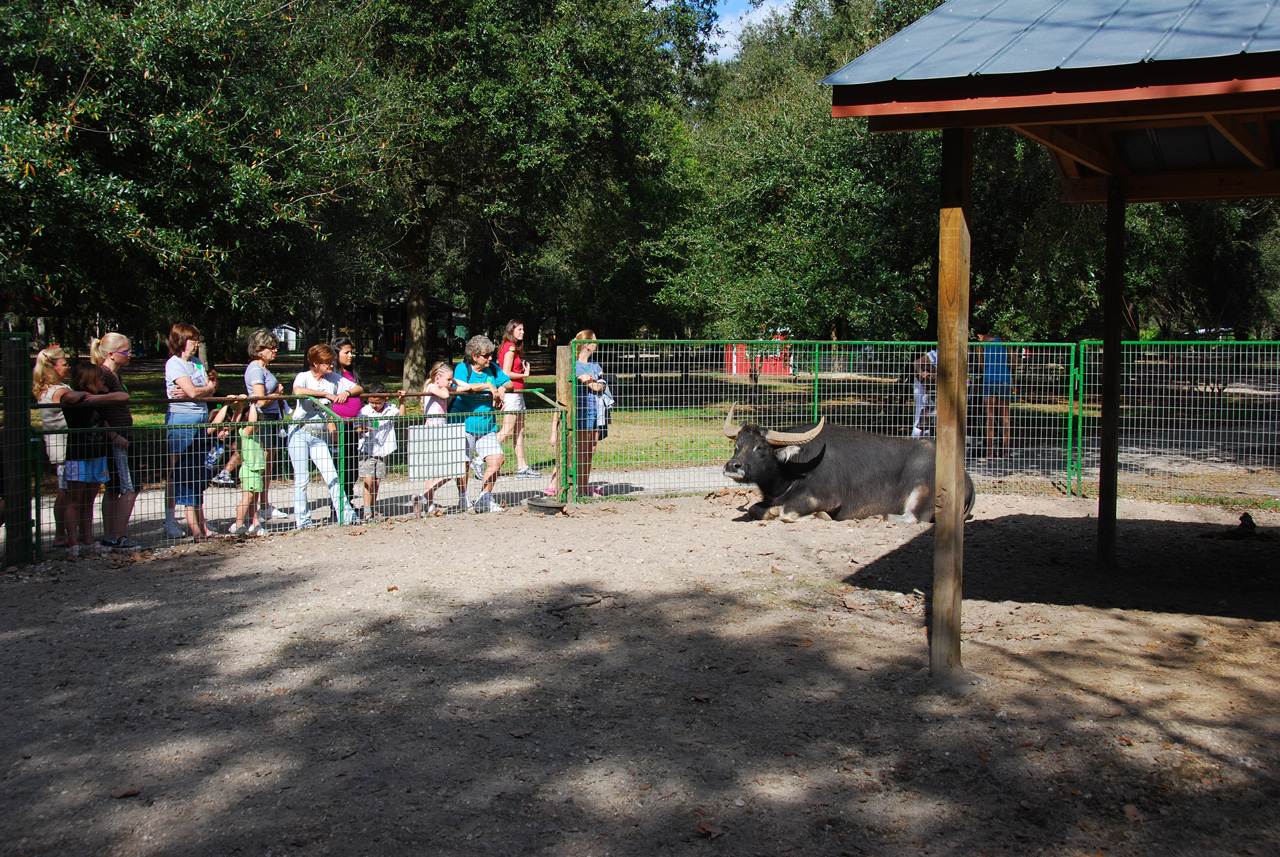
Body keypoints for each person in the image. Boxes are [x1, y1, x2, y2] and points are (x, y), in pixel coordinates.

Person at [60, 363, 128, 556]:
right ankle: (74, 542)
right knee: (74, 500)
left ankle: (88, 540)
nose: (102, 381)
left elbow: (123, 396)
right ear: (89, 380)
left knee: (89, 500)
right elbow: (69, 397)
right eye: (98, 379)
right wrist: (85, 394)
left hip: (97, 454)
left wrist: (100, 395)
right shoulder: (74, 397)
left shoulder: (98, 399)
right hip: (78, 455)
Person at [289, 343, 358, 529]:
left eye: (331, 362)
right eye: (326, 363)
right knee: (302, 478)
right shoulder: (303, 377)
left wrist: (346, 392)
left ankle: (346, 515)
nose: (330, 366)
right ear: (315, 363)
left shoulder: (333, 378)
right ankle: (302, 521)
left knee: (332, 475)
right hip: (300, 432)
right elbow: (298, 391)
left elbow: (358, 388)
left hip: (319, 436)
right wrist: (325, 394)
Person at [164, 323, 218, 538]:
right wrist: (200, 391)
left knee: (197, 469)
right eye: (192, 339)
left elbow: (206, 391)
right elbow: (194, 392)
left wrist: (205, 389)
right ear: (181, 340)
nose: (196, 344)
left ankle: (199, 521)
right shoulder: (174, 364)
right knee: (177, 471)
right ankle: (170, 520)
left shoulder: (197, 363)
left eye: (197, 339)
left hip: (201, 417)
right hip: (182, 420)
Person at [90, 333, 140, 550]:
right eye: (125, 351)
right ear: (110, 354)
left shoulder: (113, 376)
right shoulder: (104, 374)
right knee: (130, 486)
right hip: (117, 439)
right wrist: (114, 436)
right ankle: (117, 536)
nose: (129, 355)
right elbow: (97, 409)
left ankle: (112, 534)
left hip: (121, 435)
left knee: (115, 487)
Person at [451, 335, 511, 513]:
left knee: (497, 460)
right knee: (464, 464)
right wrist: (488, 386)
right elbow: (463, 387)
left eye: (491, 354)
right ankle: (463, 498)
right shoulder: (462, 369)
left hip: (486, 426)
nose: (490, 358)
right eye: (486, 355)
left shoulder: (492, 368)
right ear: (475, 356)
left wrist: (501, 388)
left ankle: (485, 497)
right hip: (463, 423)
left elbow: (508, 382)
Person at [173, 396, 238, 541]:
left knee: (198, 503)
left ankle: (204, 529)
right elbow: (215, 424)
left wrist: (240, 404)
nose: (226, 434)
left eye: (228, 431)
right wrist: (226, 405)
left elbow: (234, 423)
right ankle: (197, 533)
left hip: (198, 476)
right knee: (189, 504)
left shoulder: (219, 440)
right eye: (224, 430)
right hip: (186, 474)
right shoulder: (204, 436)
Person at [244, 329, 285, 522]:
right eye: (271, 347)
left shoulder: (264, 369)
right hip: (264, 421)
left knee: (268, 466)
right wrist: (277, 393)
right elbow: (259, 400)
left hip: (272, 419)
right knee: (262, 466)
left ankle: (264, 505)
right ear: (260, 350)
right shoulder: (255, 370)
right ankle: (256, 510)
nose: (275, 351)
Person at [32, 347, 72, 548]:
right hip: (64, 447)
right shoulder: (59, 391)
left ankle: (65, 532)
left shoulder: (47, 389)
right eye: (64, 364)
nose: (68, 367)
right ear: (52, 367)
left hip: (59, 445)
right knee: (65, 491)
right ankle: (60, 533)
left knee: (66, 490)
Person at [413, 361, 464, 516]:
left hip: (441, 431)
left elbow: (466, 387)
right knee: (453, 469)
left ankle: (428, 503)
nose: (450, 383)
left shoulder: (441, 386)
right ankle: (425, 496)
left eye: (451, 380)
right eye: (448, 380)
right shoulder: (432, 388)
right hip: (432, 432)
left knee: (435, 472)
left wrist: (453, 381)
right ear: (436, 378)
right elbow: (445, 394)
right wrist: (446, 386)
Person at [494, 319, 540, 477]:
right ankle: (479, 459)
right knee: (506, 431)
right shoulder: (510, 347)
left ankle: (522, 467)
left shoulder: (509, 347)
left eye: (523, 329)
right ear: (511, 330)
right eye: (519, 329)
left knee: (519, 430)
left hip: (517, 393)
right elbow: (505, 373)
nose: (522, 332)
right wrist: (524, 374)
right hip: (512, 394)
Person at [571, 329, 611, 497]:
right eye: (594, 341)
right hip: (583, 410)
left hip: (597, 411)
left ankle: (584, 486)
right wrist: (597, 382)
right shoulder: (576, 365)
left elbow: (604, 382)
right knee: (582, 449)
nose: (596, 344)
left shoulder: (595, 364)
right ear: (586, 344)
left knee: (591, 449)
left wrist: (598, 382)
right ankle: (577, 487)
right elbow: (595, 386)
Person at [356, 382, 404, 521]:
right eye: (371, 402)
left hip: (383, 449)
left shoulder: (391, 409)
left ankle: (372, 508)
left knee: (376, 481)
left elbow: (401, 417)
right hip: (367, 449)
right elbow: (357, 427)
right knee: (368, 480)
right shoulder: (364, 411)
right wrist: (363, 429)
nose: (374, 406)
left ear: (385, 399)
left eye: (378, 403)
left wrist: (402, 402)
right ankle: (366, 511)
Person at [329, 336, 365, 510]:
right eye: (346, 352)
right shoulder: (332, 376)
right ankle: (337, 506)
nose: (350, 356)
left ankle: (348, 501)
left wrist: (347, 392)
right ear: (336, 354)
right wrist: (333, 429)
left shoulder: (350, 374)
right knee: (340, 467)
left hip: (353, 426)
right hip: (339, 426)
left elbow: (359, 388)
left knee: (352, 467)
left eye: (352, 352)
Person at [975, 323, 1015, 457]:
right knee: (1005, 417)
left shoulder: (980, 346)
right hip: (1004, 379)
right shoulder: (1003, 341)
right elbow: (1015, 361)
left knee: (990, 416)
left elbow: (982, 365)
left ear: (980, 335)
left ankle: (990, 452)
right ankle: (1006, 451)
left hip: (988, 379)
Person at [228, 400, 267, 536]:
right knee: (247, 498)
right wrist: (252, 404)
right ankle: (238, 524)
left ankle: (255, 523)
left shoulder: (254, 436)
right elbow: (252, 422)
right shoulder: (245, 432)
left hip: (256, 470)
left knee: (253, 499)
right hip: (249, 470)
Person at [911, 348, 938, 438]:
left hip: (934, 387)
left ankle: (926, 438)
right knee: (920, 412)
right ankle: (915, 438)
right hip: (923, 384)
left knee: (931, 412)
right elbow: (917, 362)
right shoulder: (936, 354)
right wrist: (921, 372)